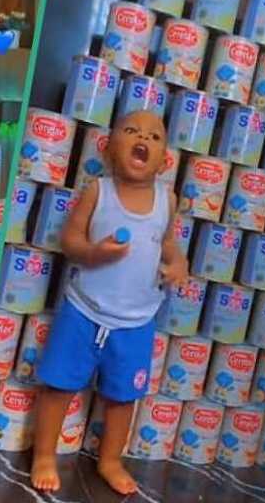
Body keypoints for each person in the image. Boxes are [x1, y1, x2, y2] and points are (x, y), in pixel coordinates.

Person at [30, 110, 189, 494]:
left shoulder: (166, 201)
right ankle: (44, 454)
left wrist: (179, 264)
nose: (143, 138)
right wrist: (93, 252)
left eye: (154, 136)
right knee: (59, 387)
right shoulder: (98, 192)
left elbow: (167, 243)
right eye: (131, 131)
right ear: (109, 148)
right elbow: (70, 240)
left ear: (164, 161)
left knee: (122, 397)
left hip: (136, 321)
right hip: (84, 310)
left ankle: (111, 460)